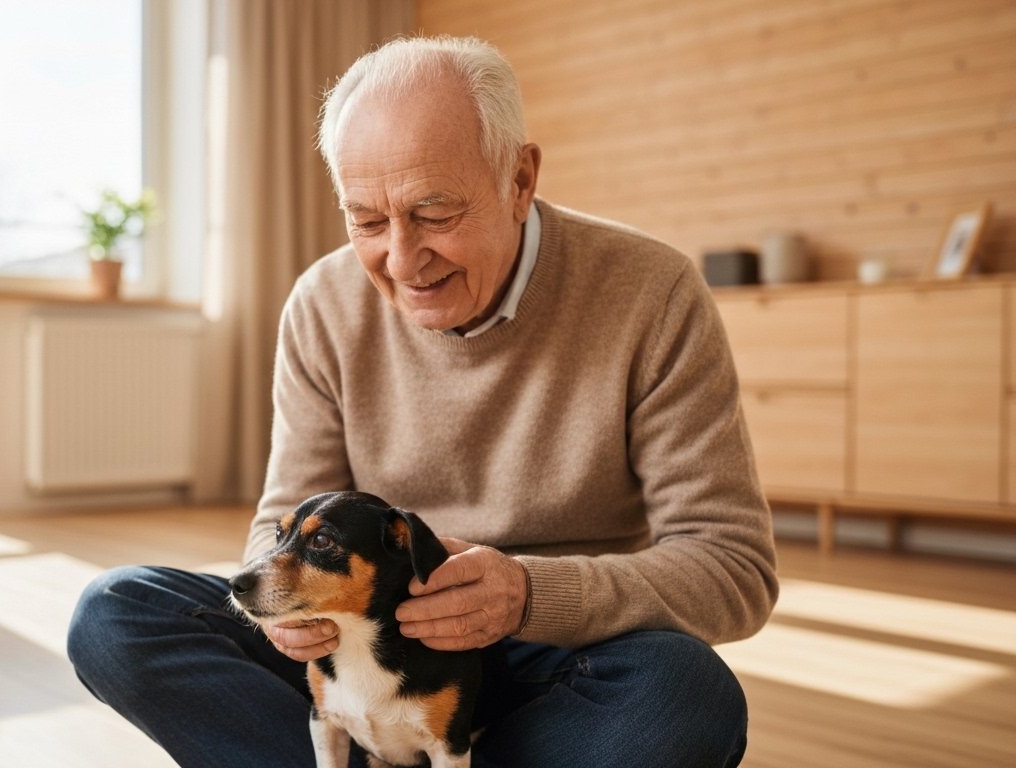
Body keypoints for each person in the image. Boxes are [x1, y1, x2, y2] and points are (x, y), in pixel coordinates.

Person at [69, 35, 777, 768]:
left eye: (435, 213)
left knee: (687, 692)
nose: (402, 261)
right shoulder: (323, 303)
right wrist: (292, 623)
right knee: (116, 614)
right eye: (368, 221)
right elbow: (281, 521)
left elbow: (732, 567)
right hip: (363, 645)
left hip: (551, 656)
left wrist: (528, 594)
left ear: (520, 179)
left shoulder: (652, 293)